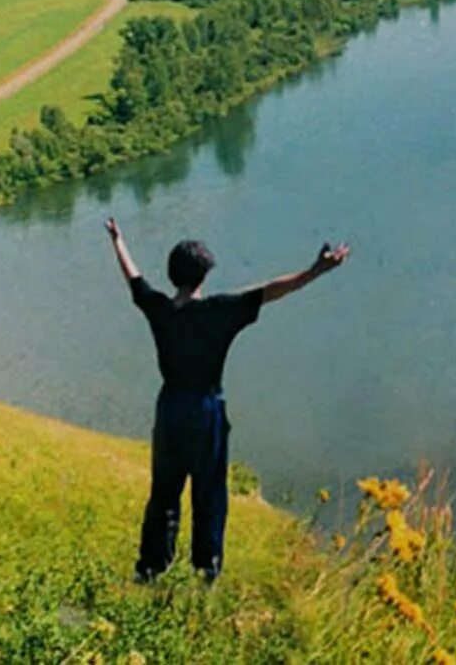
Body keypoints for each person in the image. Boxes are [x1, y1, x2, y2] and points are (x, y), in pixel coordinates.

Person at [105, 217, 350, 582]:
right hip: (205, 410)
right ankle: (207, 568)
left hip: (170, 408)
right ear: (204, 276)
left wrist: (117, 241)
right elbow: (271, 290)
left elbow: (134, 279)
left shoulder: (159, 309)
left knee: (165, 490)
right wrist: (318, 269)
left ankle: (151, 568)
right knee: (209, 490)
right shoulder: (219, 312)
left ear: (173, 275)